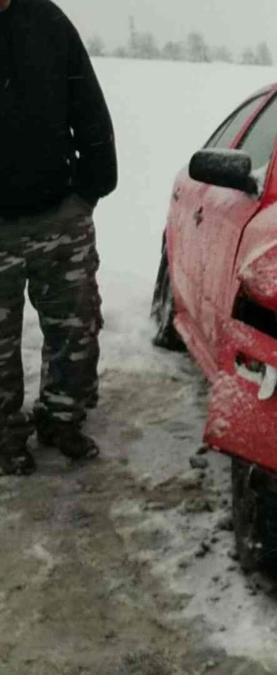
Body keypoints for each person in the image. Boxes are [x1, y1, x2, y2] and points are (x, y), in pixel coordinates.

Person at [0, 0, 116, 475]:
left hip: (59, 220)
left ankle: (61, 418)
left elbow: (87, 106)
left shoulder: (47, 20)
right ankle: (4, 436)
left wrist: (90, 188)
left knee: (77, 331)